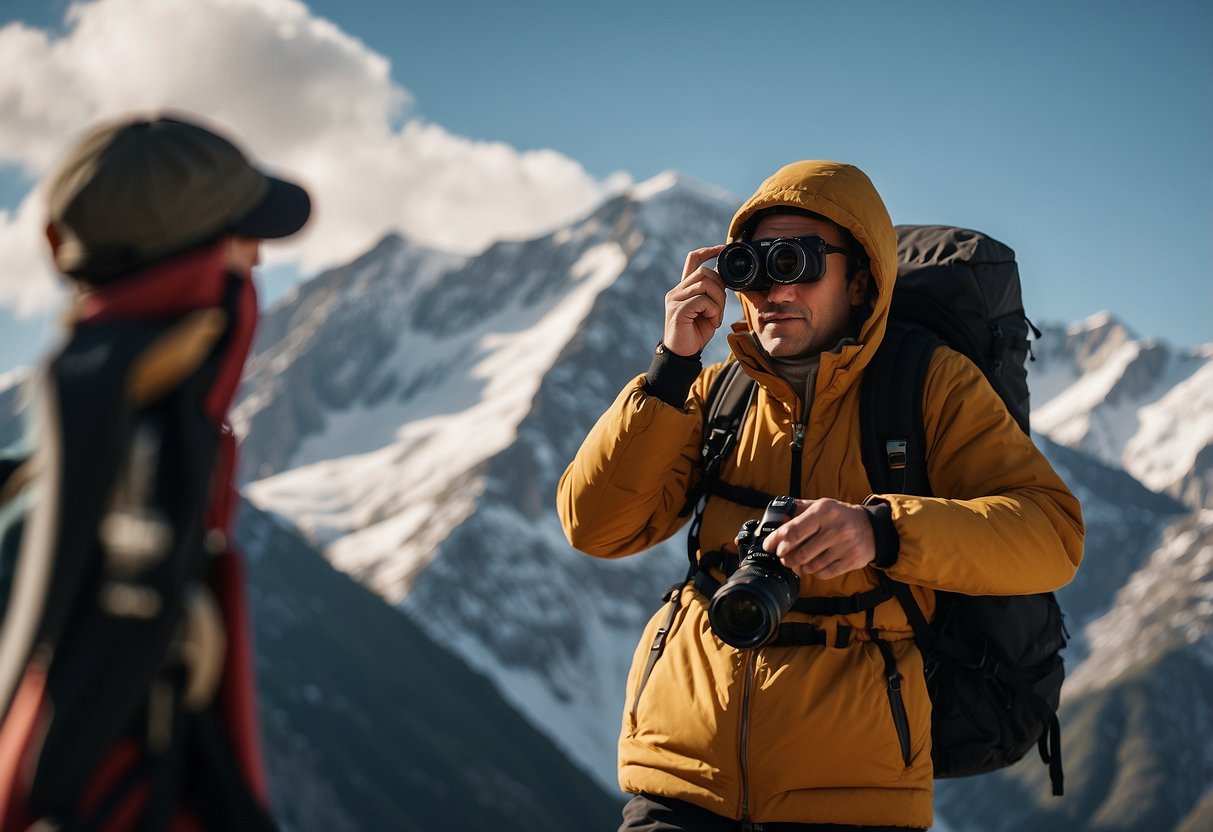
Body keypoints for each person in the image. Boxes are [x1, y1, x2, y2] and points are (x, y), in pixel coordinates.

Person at [557, 160, 1084, 830]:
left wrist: (881, 531)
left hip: (849, 797)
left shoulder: (927, 383)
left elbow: (1050, 533)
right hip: (678, 782)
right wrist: (670, 368)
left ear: (859, 278)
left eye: (799, 262)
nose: (774, 288)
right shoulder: (713, 391)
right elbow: (595, 526)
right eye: (755, 266)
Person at [0, 115, 310, 829]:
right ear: (199, 270)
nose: (259, 264)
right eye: (242, 241)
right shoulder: (129, 482)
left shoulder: (54, 456)